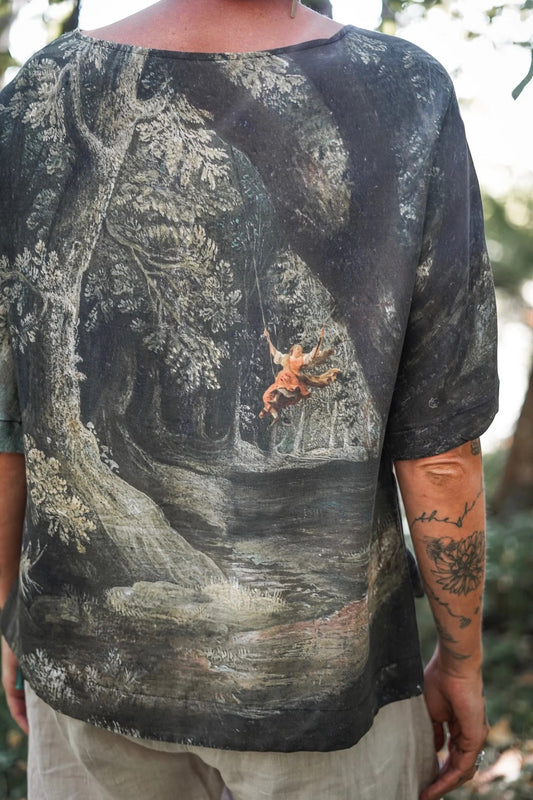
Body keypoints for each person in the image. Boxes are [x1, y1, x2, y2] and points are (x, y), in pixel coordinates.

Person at [0, 0, 498, 798]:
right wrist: (461, 661)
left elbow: (11, 422)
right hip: (326, 704)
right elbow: (438, 455)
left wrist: (11, 616)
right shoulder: (406, 88)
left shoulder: (40, 91)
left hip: (89, 684)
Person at [259, 327, 341, 422]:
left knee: (283, 380)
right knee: (270, 393)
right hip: (283, 382)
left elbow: (313, 354)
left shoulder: (302, 359)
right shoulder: (285, 358)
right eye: (297, 349)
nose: (299, 351)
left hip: (292, 383)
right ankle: (272, 406)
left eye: (300, 350)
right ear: (292, 350)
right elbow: (274, 352)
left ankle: (275, 403)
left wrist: (320, 339)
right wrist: (268, 339)